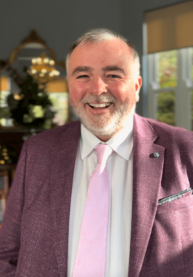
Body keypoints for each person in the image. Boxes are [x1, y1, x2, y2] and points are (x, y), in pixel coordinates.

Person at [0, 29, 193, 277]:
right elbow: (7, 252)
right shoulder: (37, 151)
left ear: (137, 86)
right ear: (70, 87)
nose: (98, 88)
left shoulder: (185, 147)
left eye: (112, 74)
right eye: (83, 75)